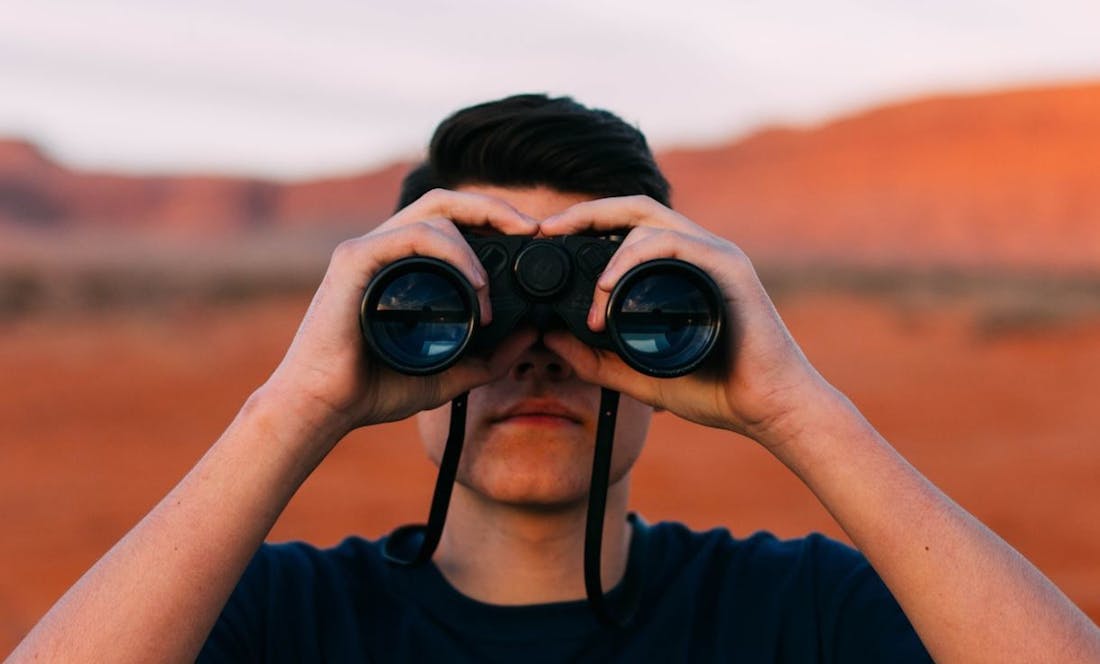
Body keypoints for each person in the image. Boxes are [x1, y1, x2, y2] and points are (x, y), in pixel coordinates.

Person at [9, 94, 1100, 663]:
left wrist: (797, 406)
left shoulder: (798, 613)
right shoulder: (267, 613)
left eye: (602, 309)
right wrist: (292, 403)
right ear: (370, 315)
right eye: (455, 301)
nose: (533, 344)